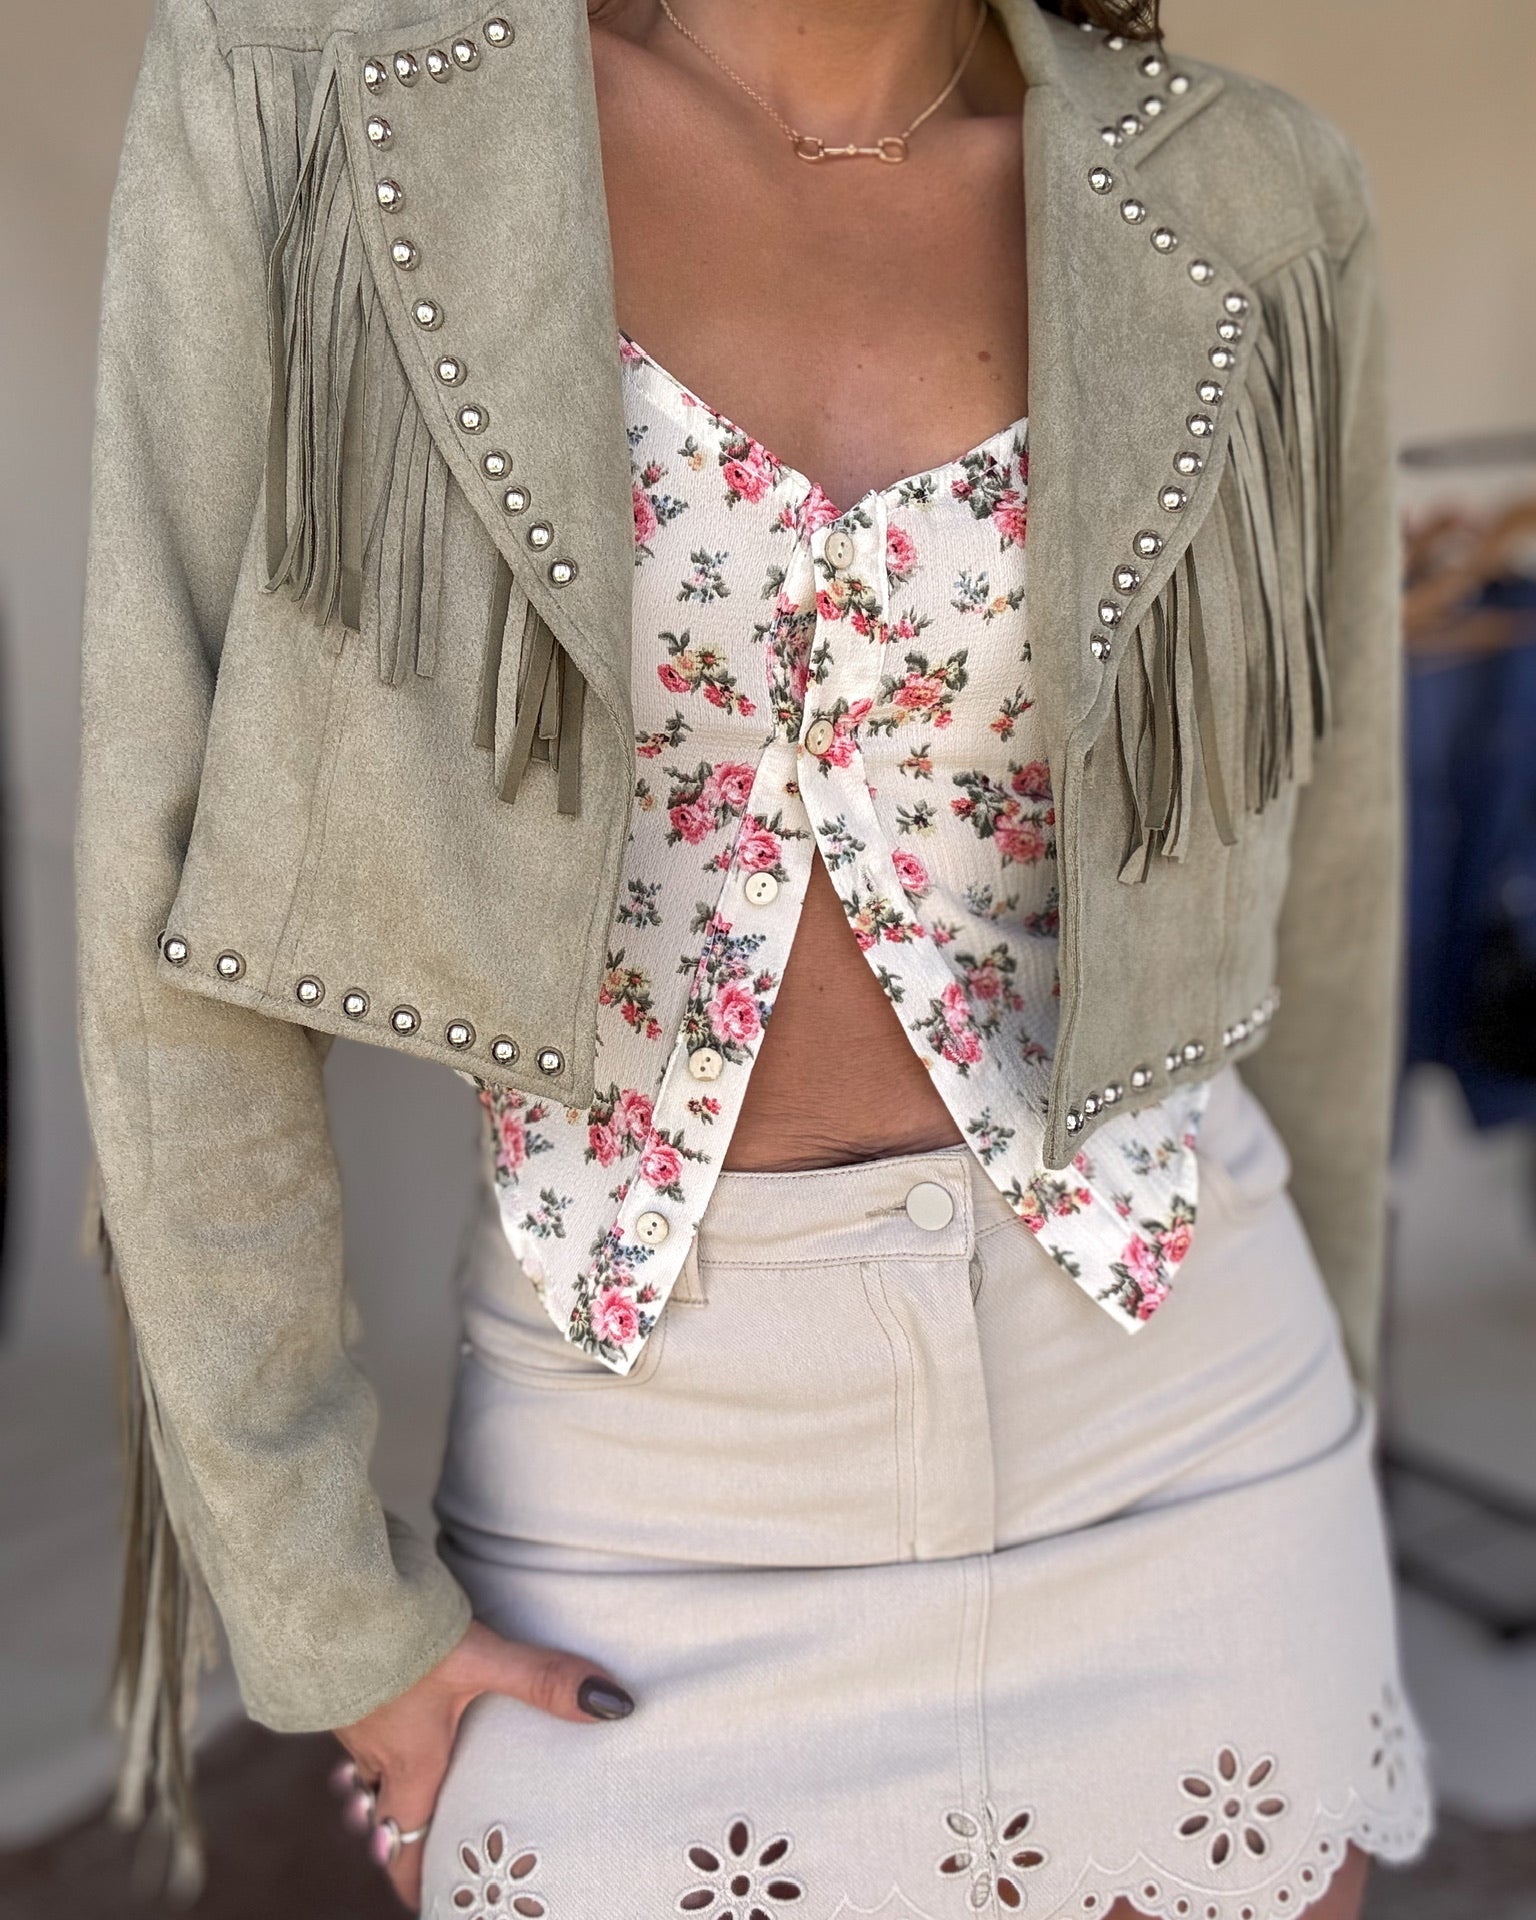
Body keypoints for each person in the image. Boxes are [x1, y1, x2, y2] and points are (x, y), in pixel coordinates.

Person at [78, 0, 1435, 1913]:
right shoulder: (314, 106)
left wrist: (1340, 1454)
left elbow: (1334, 873)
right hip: (650, 1468)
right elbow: (166, 928)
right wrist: (326, 1608)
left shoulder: (1257, 193)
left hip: (1190, 1429)